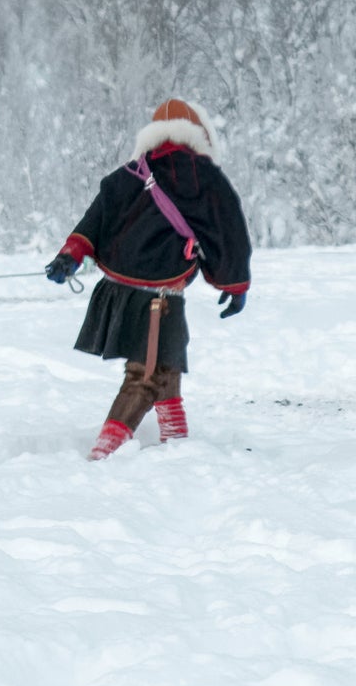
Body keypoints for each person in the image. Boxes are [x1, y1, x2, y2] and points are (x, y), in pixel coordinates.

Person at [45, 99, 252, 460]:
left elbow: (95, 219)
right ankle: (103, 453)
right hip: (159, 296)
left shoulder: (129, 173)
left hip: (116, 290)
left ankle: (177, 441)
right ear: (199, 135)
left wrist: (69, 257)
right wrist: (233, 285)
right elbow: (228, 231)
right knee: (146, 375)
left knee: (168, 359)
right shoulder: (204, 176)